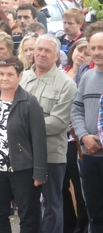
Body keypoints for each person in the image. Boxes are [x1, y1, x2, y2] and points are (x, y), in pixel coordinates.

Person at [0, 56, 47, 233]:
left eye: (9, 74)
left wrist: (39, 172)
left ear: (20, 76)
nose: (4, 78)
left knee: (28, 216)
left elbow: (39, 140)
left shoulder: (30, 102)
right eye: (1, 74)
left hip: (23, 170)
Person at [20, 34, 77, 233]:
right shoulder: (22, 78)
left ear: (56, 56)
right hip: (23, 154)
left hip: (51, 154)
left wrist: (21, 127)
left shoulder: (66, 84)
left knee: (52, 204)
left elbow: (58, 123)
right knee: (27, 205)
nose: (41, 54)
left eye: (47, 51)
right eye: (39, 49)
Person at [71, 32, 103, 233]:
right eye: (94, 48)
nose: (97, 52)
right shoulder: (87, 77)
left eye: (101, 48)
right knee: (95, 209)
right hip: (90, 156)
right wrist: (83, 136)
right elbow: (76, 109)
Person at [60, 38, 90, 233]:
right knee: (61, 185)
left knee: (79, 186)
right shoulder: (61, 72)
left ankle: (83, 224)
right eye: (80, 50)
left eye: (86, 53)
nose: (81, 55)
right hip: (58, 138)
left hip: (76, 139)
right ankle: (67, 224)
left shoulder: (88, 75)